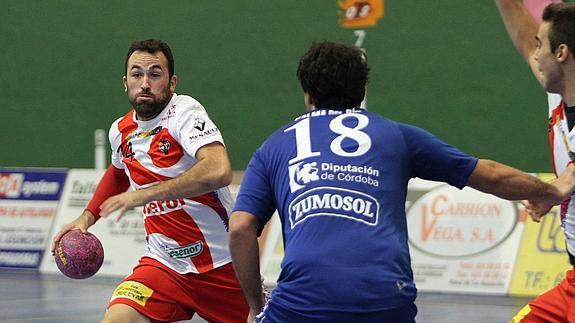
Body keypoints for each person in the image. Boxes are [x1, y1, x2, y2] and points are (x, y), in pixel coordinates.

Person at [228, 41, 575, 323]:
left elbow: (241, 228)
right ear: (362, 89)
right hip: (385, 299)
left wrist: (257, 303)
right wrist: (552, 189)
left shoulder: (274, 146)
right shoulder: (396, 136)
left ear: (307, 94)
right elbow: (491, 175)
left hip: (303, 304)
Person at [50, 39, 249, 323]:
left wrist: (141, 195)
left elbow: (218, 170)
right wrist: (86, 217)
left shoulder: (184, 113)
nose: (145, 83)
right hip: (163, 267)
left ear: (171, 82)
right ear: (125, 81)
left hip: (222, 266)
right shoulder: (120, 131)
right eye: (137, 74)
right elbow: (118, 172)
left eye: (155, 74)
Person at [495, 1, 575, 321]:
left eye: (542, 46)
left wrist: (556, 189)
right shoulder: (559, 97)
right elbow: (524, 39)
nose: (535, 54)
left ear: (562, 53)